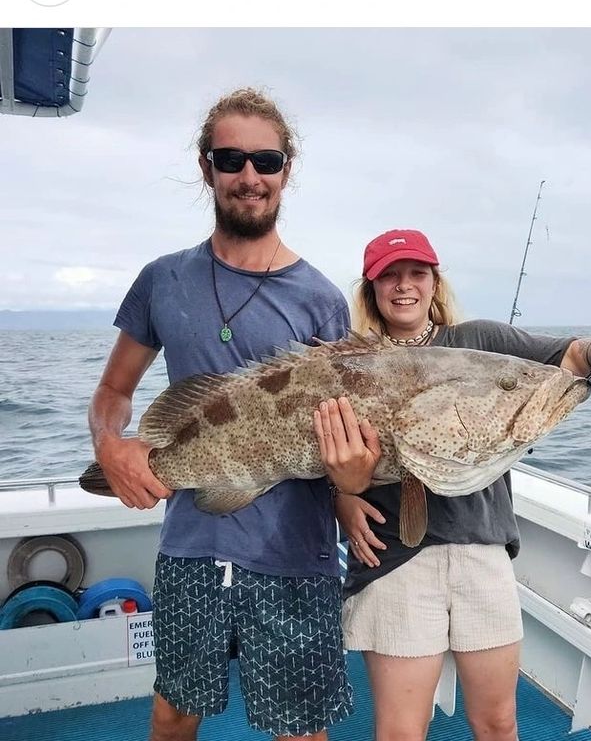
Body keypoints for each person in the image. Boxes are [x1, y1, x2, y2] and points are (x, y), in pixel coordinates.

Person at [88, 88, 377, 741]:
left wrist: (354, 482)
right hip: (191, 544)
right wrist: (112, 445)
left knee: (300, 729)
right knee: (173, 711)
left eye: (266, 160)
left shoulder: (322, 300)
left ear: (287, 170)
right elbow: (114, 391)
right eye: (232, 159)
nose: (250, 176)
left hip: (295, 553)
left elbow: (340, 434)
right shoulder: (162, 280)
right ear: (206, 166)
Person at [314, 228, 591, 741]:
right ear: (370, 290)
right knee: (400, 732)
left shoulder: (481, 341)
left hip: (483, 553)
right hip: (394, 563)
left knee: (499, 724)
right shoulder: (349, 365)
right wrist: (341, 495)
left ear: (435, 283)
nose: (404, 285)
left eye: (417, 273)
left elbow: (571, 360)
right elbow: (305, 448)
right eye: (389, 276)